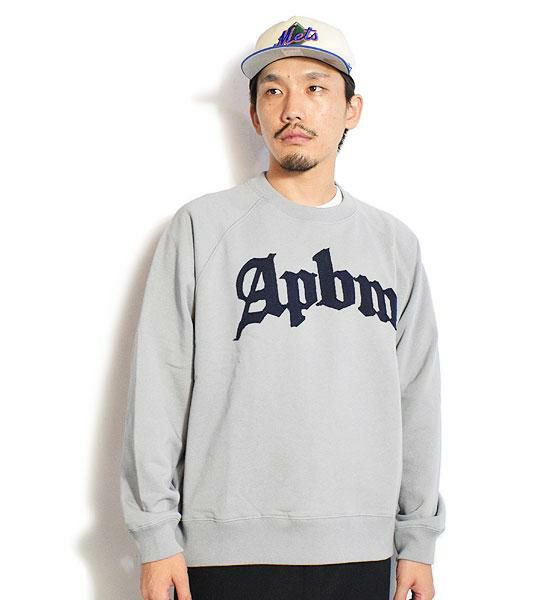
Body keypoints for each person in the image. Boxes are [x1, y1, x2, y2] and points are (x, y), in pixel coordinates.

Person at [119, 15, 446, 600]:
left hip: (363, 551)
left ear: (352, 109)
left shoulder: (394, 245)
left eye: (315, 88)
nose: (293, 108)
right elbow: (159, 385)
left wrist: (417, 539)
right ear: (254, 114)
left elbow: (417, 395)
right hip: (224, 553)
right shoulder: (202, 227)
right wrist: (155, 535)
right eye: (274, 91)